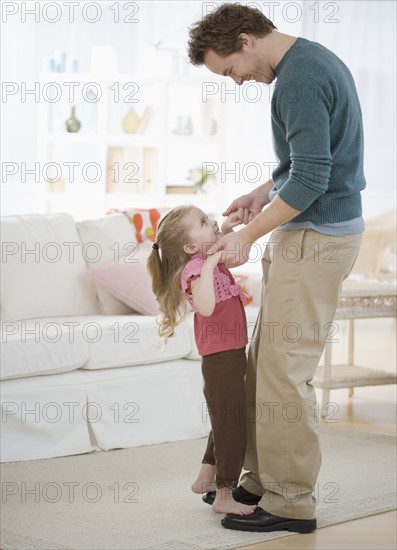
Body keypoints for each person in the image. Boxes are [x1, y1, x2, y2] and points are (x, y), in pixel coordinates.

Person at [187, 3, 365, 534]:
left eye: (230, 71)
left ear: (245, 40)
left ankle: (292, 502)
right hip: (310, 234)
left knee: (285, 375)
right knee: (266, 365)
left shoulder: (297, 81)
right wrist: (262, 191)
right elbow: (307, 160)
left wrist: (245, 234)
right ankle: (260, 480)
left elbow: (312, 181)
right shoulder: (310, 62)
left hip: (317, 237)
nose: (238, 82)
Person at [147, 205, 257, 516]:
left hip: (232, 352)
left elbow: (236, 252)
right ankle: (225, 495)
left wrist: (227, 227)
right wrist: (210, 263)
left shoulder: (207, 258)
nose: (212, 224)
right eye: (204, 223)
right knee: (232, 424)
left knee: (226, 416)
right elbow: (206, 307)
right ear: (191, 247)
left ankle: (205, 478)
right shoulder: (195, 269)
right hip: (220, 358)